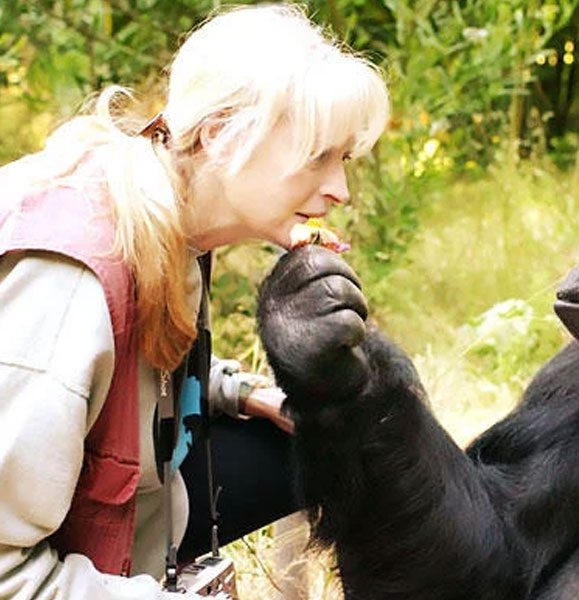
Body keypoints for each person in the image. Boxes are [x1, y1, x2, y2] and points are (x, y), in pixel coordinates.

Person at [0, 4, 389, 599]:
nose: (340, 189)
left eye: (344, 159)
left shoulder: (166, 215)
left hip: (133, 527)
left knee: (319, 439)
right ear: (221, 134)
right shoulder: (73, 279)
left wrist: (237, 390)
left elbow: (119, 380)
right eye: (319, 156)